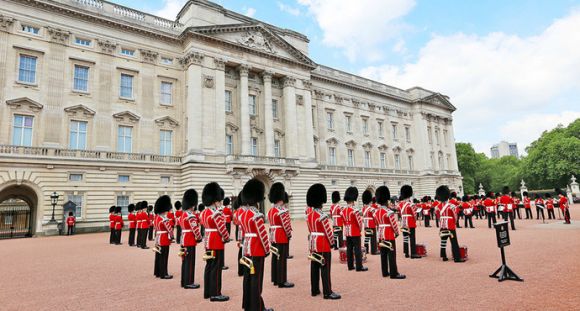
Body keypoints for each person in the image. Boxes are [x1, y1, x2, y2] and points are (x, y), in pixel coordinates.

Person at [240, 179, 273, 311]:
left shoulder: (243, 215)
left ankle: (248, 305)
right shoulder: (256, 215)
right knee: (256, 281)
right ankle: (257, 307)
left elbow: (243, 233)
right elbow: (262, 234)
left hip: (247, 248)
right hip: (257, 249)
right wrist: (266, 249)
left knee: (247, 279)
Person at [304, 183, 341, 300]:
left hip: (313, 243)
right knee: (325, 267)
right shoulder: (322, 216)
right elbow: (328, 231)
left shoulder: (309, 215)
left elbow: (310, 230)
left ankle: (314, 290)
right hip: (323, 243)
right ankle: (327, 292)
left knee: (314, 266)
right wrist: (332, 242)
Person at [199, 182, 230, 302]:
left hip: (208, 240)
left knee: (209, 266)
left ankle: (207, 291)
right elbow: (222, 228)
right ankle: (215, 293)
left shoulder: (204, 212)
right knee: (216, 268)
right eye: (219, 200)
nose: (220, 203)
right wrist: (226, 238)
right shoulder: (215, 213)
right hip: (216, 241)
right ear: (215, 200)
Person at [373, 186, 405, 279]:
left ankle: (384, 272)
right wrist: (397, 232)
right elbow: (393, 224)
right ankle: (394, 273)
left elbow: (376, 224)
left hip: (380, 234)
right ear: (386, 200)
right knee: (391, 254)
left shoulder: (375, 212)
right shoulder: (388, 212)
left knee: (383, 254)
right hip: (388, 234)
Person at [267, 182, 294, 288]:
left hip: (273, 236)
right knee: (281, 258)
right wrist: (289, 235)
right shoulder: (282, 211)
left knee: (275, 257)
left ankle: (275, 279)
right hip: (281, 236)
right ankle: (282, 280)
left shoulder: (271, 211)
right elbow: (286, 225)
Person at [341, 187, 367, 271]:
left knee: (349, 249)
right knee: (357, 249)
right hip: (355, 232)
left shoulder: (343, 211)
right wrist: (359, 230)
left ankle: (350, 266)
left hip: (347, 232)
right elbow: (359, 222)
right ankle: (359, 266)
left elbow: (344, 222)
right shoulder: (354, 210)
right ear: (353, 199)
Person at [180, 189, 202, 289]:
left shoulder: (183, 215)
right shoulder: (191, 216)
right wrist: (199, 237)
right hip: (189, 240)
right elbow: (195, 229)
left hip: (183, 239)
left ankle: (184, 281)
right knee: (190, 261)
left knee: (185, 261)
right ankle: (189, 282)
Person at [438, 185, 464, 263]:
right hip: (450, 224)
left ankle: (443, 256)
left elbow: (438, 215)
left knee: (443, 240)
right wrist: (455, 222)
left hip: (442, 224)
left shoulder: (438, 206)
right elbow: (455, 216)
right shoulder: (452, 206)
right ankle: (457, 258)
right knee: (454, 241)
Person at [153, 195, 174, 279]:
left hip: (158, 238)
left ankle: (157, 272)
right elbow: (170, 229)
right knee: (164, 257)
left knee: (158, 256)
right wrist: (172, 237)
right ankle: (164, 273)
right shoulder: (164, 219)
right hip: (164, 239)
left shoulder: (156, 218)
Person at [399, 185, 420, 259]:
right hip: (410, 222)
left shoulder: (400, 204)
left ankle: (406, 252)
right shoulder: (411, 205)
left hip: (403, 222)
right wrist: (414, 221)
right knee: (412, 238)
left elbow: (400, 213)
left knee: (405, 238)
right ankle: (413, 253)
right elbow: (414, 215)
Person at [233, 192, 246, 277]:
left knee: (241, 250)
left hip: (239, 231)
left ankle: (240, 270)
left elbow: (235, 222)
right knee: (245, 251)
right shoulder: (244, 210)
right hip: (245, 231)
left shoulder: (237, 211)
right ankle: (243, 270)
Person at [362, 190, 378, 255]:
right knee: (373, 238)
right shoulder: (371, 209)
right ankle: (374, 251)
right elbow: (375, 217)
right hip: (371, 224)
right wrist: (377, 223)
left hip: (366, 224)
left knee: (366, 237)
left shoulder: (363, 208)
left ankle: (366, 250)